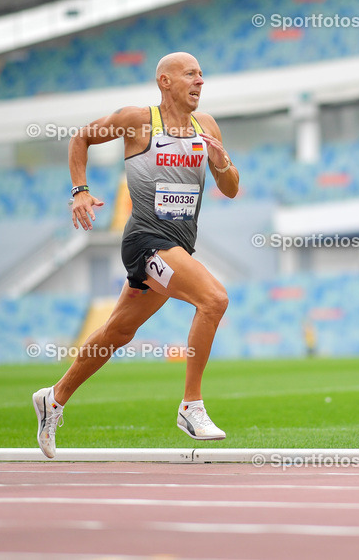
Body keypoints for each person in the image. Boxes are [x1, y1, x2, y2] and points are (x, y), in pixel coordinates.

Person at [32, 52, 239, 458]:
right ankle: (190, 406)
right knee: (214, 299)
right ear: (165, 81)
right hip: (145, 239)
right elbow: (82, 138)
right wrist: (80, 191)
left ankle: (52, 400)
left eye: (202, 75)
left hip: (179, 243)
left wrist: (222, 161)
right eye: (191, 75)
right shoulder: (137, 120)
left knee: (117, 333)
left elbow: (230, 188)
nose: (200, 81)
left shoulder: (207, 126)